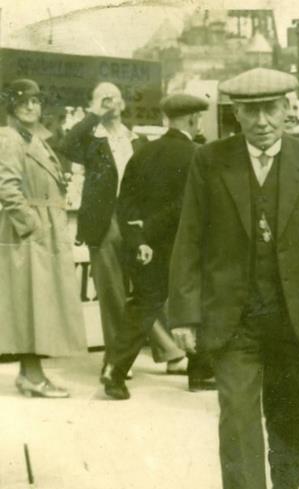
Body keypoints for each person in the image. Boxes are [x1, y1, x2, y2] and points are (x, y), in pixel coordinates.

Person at [167, 68, 299, 489]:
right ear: (236, 114)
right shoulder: (210, 161)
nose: (263, 121)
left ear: (288, 109)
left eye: (272, 109)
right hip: (234, 320)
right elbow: (189, 240)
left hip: (297, 319)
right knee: (238, 422)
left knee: (289, 418)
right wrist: (185, 314)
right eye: (251, 111)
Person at [60, 82, 186, 376]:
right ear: (93, 102)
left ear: (123, 103)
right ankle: (119, 358)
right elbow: (66, 146)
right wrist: (93, 115)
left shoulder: (138, 140)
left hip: (136, 220)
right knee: (112, 290)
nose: (109, 101)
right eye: (102, 97)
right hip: (103, 221)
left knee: (148, 288)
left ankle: (168, 350)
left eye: (114, 96)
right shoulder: (91, 140)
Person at [100, 93, 214, 400]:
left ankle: (114, 371)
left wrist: (140, 239)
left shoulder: (143, 154)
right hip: (186, 247)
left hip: (149, 249)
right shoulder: (198, 155)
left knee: (142, 308)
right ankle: (201, 374)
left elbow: (125, 204)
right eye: (198, 118)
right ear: (192, 119)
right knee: (200, 304)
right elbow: (188, 204)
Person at [0, 79, 87, 398]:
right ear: (10, 105)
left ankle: (30, 374)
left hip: (43, 231)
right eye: (21, 101)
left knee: (36, 305)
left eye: (35, 101)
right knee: (30, 304)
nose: (30, 106)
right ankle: (32, 376)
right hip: (31, 234)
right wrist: (32, 225)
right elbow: (7, 187)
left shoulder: (32, 138)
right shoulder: (9, 138)